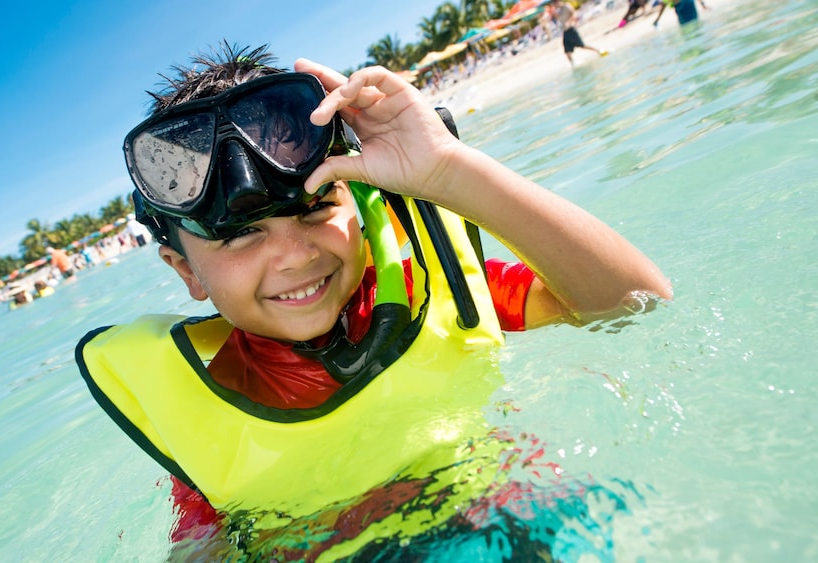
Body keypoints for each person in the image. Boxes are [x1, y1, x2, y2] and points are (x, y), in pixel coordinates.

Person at [76, 43, 671, 554]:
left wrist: (446, 172)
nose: (296, 255)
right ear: (185, 272)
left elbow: (635, 299)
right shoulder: (208, 415)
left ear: (362, 202)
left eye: (316, 208)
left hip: (514, 522)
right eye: (240, 234)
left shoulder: (435, 295)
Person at [548, 0, 609, 65]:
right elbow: (560, 20)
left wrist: (570, 21)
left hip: (571, 29)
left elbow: (574, 13)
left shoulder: (566, 6)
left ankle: (599, 51)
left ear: (558, 2)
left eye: (554, 3)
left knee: (582, 45)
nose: (554, 5)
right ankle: (573, 64)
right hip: (565, 32)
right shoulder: (558, 11)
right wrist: (555, 15)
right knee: (567, 51)